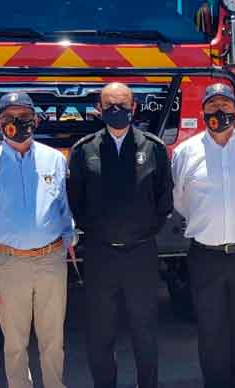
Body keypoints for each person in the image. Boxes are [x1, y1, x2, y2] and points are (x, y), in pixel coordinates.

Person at [0, 92, 75, 388]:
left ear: (35, 120)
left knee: (54, 340)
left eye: (24, 116)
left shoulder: (54, 160)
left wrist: (69, 234)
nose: (18, 122)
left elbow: (64, 207)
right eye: (10, 117)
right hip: (8, 263)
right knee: (14, 343)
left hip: (51, 260)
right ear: (0, 122)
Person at [67, 82, 173, 388]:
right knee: (100, 332)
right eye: (109, 106)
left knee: (145, 331)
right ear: (99, 110)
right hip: (101, 255)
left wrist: (142, 230)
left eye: (122, 105)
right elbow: (76, 201)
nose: (116, 111)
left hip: (141, 253)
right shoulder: (85, 150)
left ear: (134, 108)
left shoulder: (152, 148)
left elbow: (164, 200)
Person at [171, 82, 235, 388]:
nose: (220, 112)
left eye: (226, 106)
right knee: (210, 328)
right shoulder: (185, 152)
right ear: (203, 112)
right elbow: (180, 200)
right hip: (206, 255)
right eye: (213, 106)